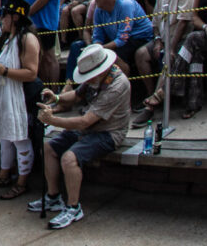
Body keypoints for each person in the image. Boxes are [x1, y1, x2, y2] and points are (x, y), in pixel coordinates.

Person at [31, 42, 132, 230]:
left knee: (69, 158)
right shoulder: (95, 76)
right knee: (48, 148)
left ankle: (73, 207)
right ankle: (53, 197)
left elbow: (85, 121)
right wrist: (57, 98)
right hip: (89, 128)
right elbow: (77, 95)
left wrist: (52, 120)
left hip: (109, 132)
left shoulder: (117, 85)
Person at [0, 0, 40, 200]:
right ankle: (3, 174)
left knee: (19, 139)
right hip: (4, 96)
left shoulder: (27, 39)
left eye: (3, 15)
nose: (0, 19)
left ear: (15, 17)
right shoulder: (7, 40)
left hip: (20, 98)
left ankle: (22, 182)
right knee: (5, 138)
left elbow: (31, 73)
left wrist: (4, 71)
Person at [133, 0, 195, 125]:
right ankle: (151, 92)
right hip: (164, 37)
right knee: (141, 54)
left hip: (180, 38)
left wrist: (170, 47)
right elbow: (155, 22)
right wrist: (159, 40)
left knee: (168, 58)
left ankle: (151, 107)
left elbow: (183, 22)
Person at [65, 0, 153, 79]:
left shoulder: (125, 5)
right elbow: (98, 36)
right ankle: (69, 84)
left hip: (138, 37)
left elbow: (122, 39)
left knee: (114, 56)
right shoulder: (98, 9)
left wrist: (99, 50)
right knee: (76, 46)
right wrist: (94, 48)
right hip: (115, 38)